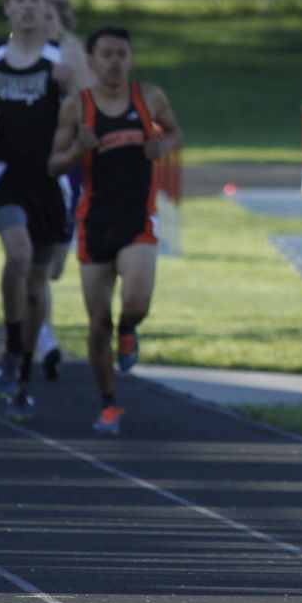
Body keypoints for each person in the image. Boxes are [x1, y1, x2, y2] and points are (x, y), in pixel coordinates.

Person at [46, 26, 182, 434]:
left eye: (122, 54)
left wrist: (164, 146)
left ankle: (130, 330)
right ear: (90, 62)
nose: (114, 61)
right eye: (106, 54)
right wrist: (77, 151)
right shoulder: (77, 108)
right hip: (94, 224)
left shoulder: (149, 98)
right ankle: (108, 404)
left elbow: (176, 131)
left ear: (131, 60)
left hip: (137, 218)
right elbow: (52, 165)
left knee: (136, 301)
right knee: (97, 320)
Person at [0, 0, 75, 420]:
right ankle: (11, 350)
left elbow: (88, 114)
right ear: (9, 6)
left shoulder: (61, 64)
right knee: (16, 255)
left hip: (48, 179)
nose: (26, 5)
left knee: (38, 283)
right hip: (1, 175)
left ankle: (22, 366)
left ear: (45, 4)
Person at [35, 0, 95, 382]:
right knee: (31, 262)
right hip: (24, 165)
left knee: (54, 266)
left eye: (49, 18)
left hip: (66, 164)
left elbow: (92, 105)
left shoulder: (75, 54)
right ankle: (42, 337)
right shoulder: (18, 53)